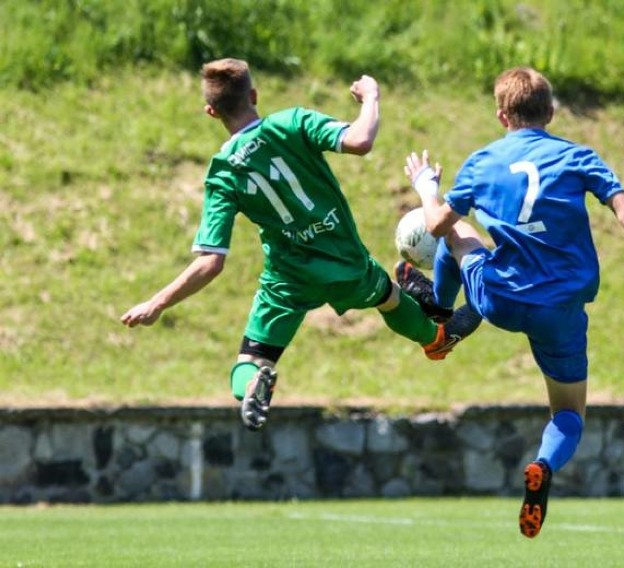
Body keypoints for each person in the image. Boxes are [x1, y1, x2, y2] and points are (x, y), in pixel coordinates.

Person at [396, 66, 624, 538]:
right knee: (568, 415)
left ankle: (439, 315)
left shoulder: (482, 161)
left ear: (502, 116)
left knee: (460, 232)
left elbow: (435, 224)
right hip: (560, 309)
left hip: (501, 296)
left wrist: (425, 185)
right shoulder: (580, 157)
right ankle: (542, 466)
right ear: (551, 112)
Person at [120, 58, 480, 432]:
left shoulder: (222, 173)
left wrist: (157, 302)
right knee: (388, 297)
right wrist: (371, 98)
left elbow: (211, 262)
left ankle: (253, 386)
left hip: (286, 278)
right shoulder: (291, 123)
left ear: (211, 112)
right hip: (345, 261)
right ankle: (434, 338)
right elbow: (360, 140)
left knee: (252, 358)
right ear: (254, 95)